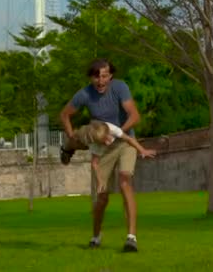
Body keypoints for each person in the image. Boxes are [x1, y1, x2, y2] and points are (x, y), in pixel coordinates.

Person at [59, 58, 145, 252]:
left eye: (105, 76)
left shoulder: (120, 88)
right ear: (91, 77)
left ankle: (131, 238)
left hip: (124, 140)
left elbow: (135, 116)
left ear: (111, 76)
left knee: (125, 181)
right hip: (101, 147)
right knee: (102, 197)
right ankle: (96, 236)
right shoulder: (84, 94)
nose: (100, 80)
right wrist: (71, 135)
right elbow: (64, 115)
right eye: (96, 76)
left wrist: (117, 133)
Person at [73, 120, 156, 194]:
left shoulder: (112, 129)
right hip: (88, 140)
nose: (106, 143)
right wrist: (100, 181)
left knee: (125, 173)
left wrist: (143, 150)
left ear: (108, 132)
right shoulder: (95, 145)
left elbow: (129, 139)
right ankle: (75, 136)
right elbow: (95, 163)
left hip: (119, 143)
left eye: (106, 139)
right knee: (77, 138)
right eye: (103, 142)